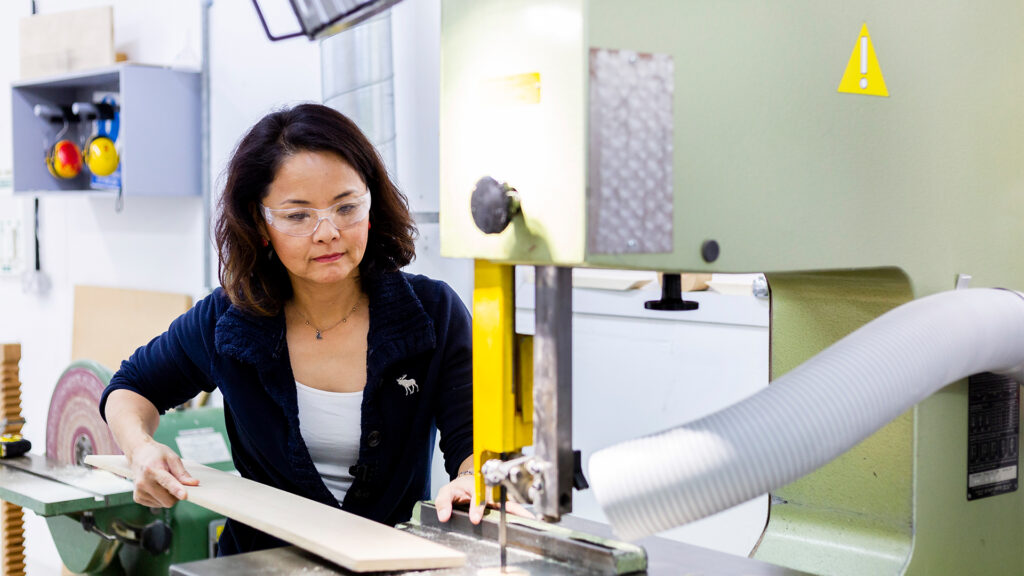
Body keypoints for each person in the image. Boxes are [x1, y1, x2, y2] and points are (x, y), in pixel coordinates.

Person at [100, 103, 481, 557]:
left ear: (372, 205)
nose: (328, 232)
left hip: (389, 563)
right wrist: (141, 450)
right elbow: (130, 388)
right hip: (257, 567)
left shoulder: (433, 313)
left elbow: (473, 442)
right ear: (261, 224)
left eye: (346, 208)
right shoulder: (230, 319)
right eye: (298, 216)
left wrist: (471, 481)